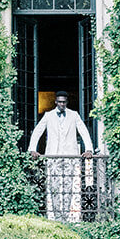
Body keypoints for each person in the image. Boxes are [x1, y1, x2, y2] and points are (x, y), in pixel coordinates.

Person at [28, 90, 93, 222]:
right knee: (54, 186)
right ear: (56, 102)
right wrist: (32, 149)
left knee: (68, 187)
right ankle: (57, 217)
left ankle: (66, 217)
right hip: (53, 157)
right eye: (60, 102)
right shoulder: (48, 115)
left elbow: (84, 131)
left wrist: (89, 149)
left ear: (66, 102)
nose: (62, 104)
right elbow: (37, 131)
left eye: (64, 102)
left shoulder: (74, 115)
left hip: (70, 157)